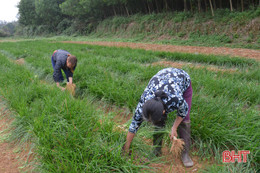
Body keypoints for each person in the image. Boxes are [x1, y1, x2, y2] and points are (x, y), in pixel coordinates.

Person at [123, 67, 194, 167]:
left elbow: (183, 112)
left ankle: (185, 153)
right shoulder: (144, 103)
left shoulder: (176, 99)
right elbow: (133, 126)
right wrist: (126, 147)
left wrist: (174, 128)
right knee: (158, 123)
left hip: (182, 79)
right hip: (162, 77)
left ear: (164, 111)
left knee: (185, 119)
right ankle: (157, 150)